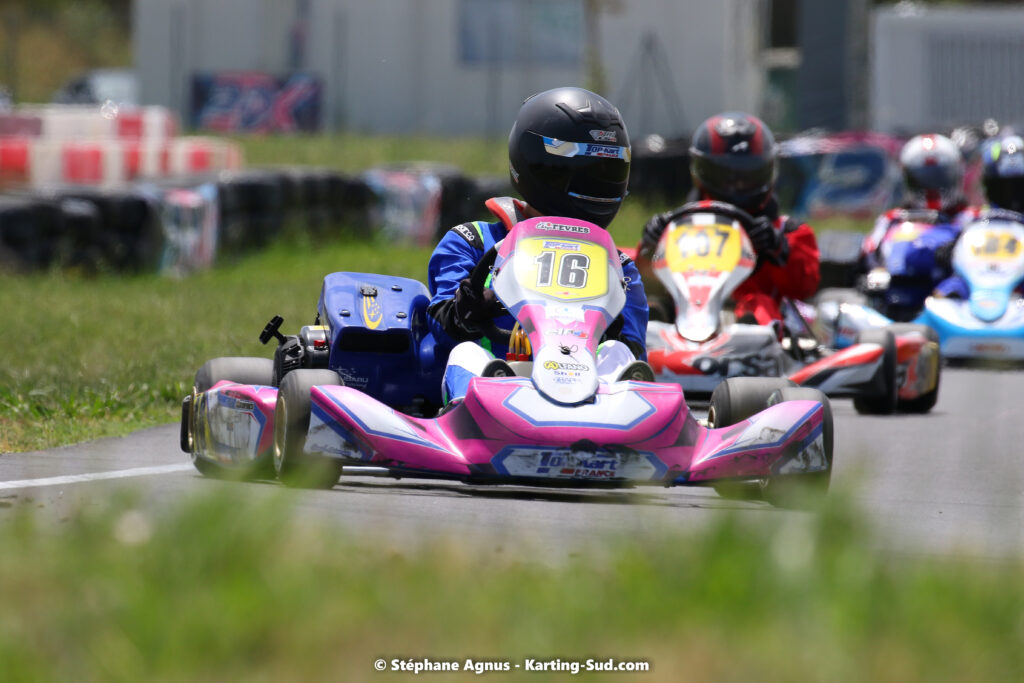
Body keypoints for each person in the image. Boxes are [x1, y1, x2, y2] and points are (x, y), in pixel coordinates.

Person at [426, 87, 651, 404]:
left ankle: (630, 418)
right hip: (497, 387)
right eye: (589, 172)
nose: (599, 183)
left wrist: (607, 324)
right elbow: (438, 325)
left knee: (618, 352)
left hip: (588, 390)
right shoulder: (474, 242)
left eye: (608, 171)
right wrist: (471, 309)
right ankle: (475, 409)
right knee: (466, 352)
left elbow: (633, 345)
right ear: (539, 164)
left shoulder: (620, 267)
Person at [638, 112, 820, 326]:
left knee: (757, 304)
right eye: (726, 176)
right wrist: (650, 245)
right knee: (651, 305)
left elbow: (804, 285)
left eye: (748, 177)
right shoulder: (677, 227)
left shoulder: (787, 231)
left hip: (760, 331)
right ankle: (647, 337)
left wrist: (777, 247)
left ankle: (749, 333)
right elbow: (642, 279)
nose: (738, 187)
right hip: (686, 317)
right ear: (702, 171)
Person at [860, 133, 971, 273]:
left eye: (938, 177)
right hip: (903, 288)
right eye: (924, 177)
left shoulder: (973, 218)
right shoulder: (892, 220)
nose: (932, 185)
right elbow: (868, 257)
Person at [933, 134, 1024, 299]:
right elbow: (941, 238)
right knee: (945, 291)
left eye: (1019, 187)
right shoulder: (973, 220)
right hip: (977, 286)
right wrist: (947, 248)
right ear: (989, 187)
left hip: (1019, 288)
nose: (1013, 196)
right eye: (1004, 187)